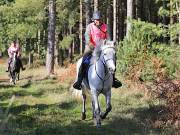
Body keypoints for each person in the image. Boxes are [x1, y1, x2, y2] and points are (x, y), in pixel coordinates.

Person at [73, 11, 121, 90]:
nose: (98, 21)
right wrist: (91, 46)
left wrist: (110, 44)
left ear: (101, 19)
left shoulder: (105, 26)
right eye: (96, 20)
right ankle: (79, 81)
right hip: (91, 48)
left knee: (112, 60)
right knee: (84, 61)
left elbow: (108, 38)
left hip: (102, 48)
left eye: (99, 19)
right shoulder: (89, 27)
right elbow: (87, 38)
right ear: (93, 20)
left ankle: (113, 80)